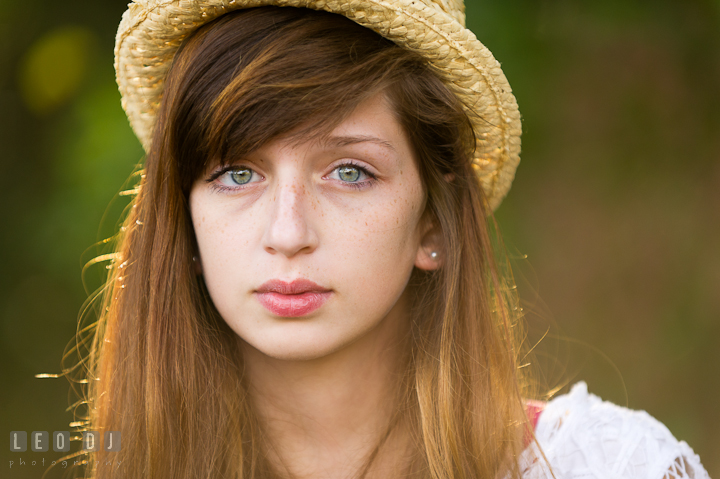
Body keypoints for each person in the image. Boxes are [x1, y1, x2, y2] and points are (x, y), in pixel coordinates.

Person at [54, 1, 709, 478]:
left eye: (349, 172)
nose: (287, 233)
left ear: (432, 222)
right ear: (185, 222)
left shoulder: (601, 468)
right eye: (237, 172)